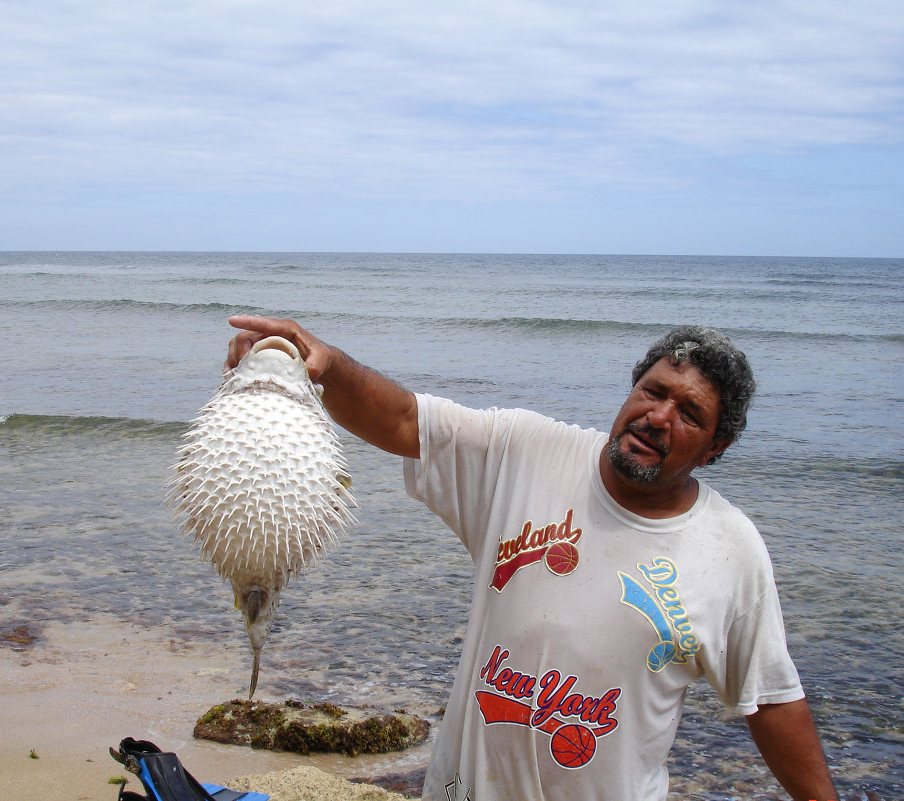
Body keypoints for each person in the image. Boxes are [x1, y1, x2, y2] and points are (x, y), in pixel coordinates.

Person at [225, 314, 837, 801]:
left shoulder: (731, 549)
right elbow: (407, 419)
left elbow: (773, 698)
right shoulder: (526, 452)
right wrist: (319, 363)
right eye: (653, 391)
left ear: (715, 449)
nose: (658, 416)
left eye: (690, 414)